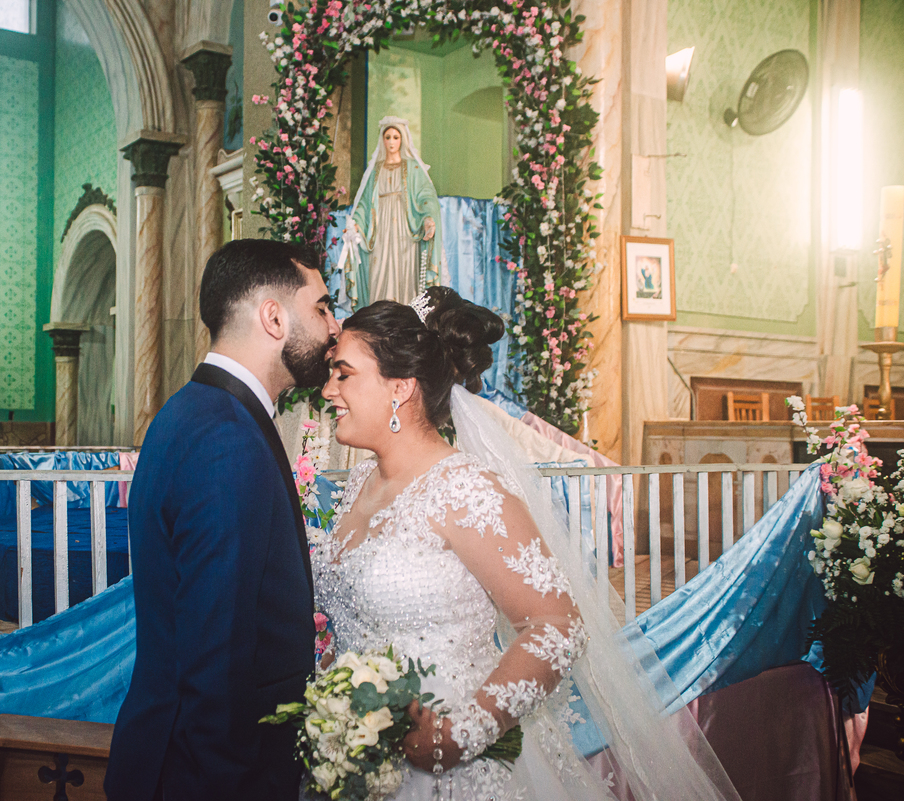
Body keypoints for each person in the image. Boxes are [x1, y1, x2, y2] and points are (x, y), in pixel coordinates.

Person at [311, 287, 742, 800]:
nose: (328, 390)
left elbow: (558, 626)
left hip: (448, 764)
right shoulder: (359, 484)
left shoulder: (465, 491)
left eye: (343, 374)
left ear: (400, 388)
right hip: (355, 755)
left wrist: (460, 735)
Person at [106, 239, 341, 801]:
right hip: (204, 775)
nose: (334, 328)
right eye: (322, 308)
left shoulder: (196, 410)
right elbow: (216, 653)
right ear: (273, 318)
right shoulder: (226, 437)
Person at [337, 116, 441, 310]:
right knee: (378, 271)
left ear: (402, 139)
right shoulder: (375, 171)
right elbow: (364, 203)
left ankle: (406, 316)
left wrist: (428, 218)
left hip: (405, 230)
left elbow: (426, 196)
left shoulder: (413, 168)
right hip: (380, 230)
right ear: (382, 140)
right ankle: (380, 315)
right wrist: (356, 224)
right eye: (388, 137)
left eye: (396, 137)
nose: (392, 142)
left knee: (405, 271)